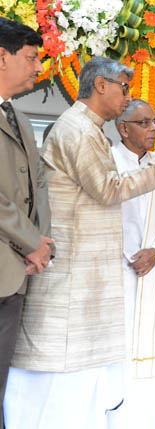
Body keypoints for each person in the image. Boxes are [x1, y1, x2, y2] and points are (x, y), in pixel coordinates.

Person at [4, 57, 155, 429]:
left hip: (88, 279)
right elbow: (109, 190)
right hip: (71, 280)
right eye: (124, 89)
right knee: (54, 388)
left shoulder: (88, 129)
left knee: (77, 388)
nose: (126, 97)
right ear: (101, 86)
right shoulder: (79, 129)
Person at [106, 99, 155, 428]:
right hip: (115, 277)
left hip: (153, 275)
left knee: (152, 367)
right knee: (115, 364)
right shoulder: (106, 161)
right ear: (123, 128)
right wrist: (128, 253)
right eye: (145, 123)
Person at [0, 17, 54, 429]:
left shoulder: (18, 116)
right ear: (2, 57)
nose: (38, 68)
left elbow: (38, 182)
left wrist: (41, 242)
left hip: (15, 274)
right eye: (31, 58)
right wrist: (31, 241)